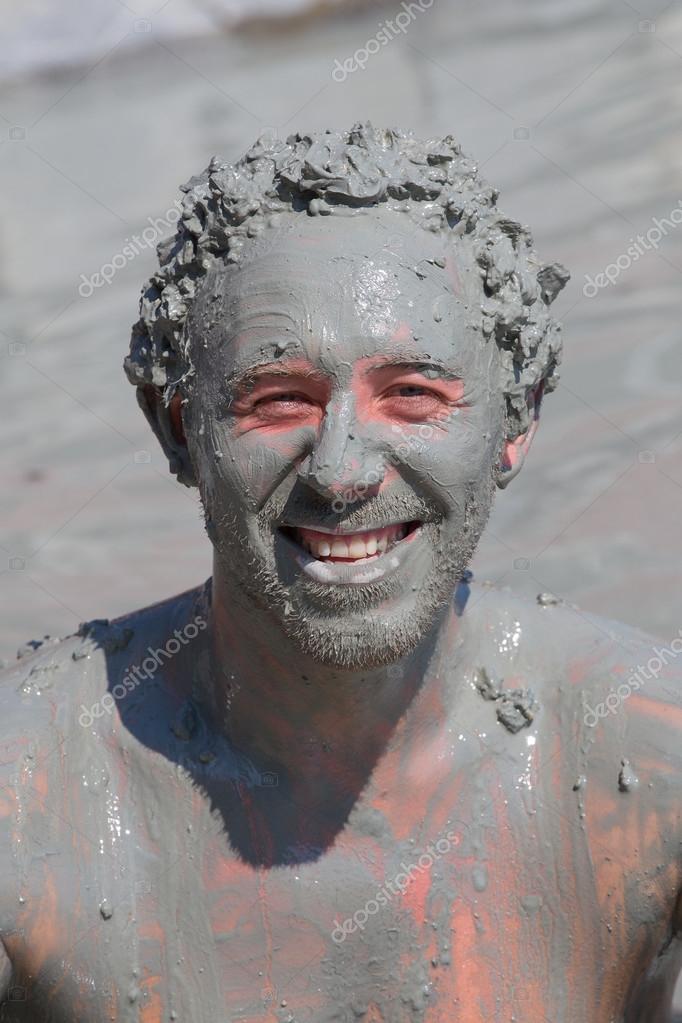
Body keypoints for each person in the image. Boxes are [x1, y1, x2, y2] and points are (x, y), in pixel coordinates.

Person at [1, 124, 681, 1023]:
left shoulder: (642, 759)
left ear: (517, 417)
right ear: (177, 427)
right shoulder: (30, 793)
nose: (342, 469)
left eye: (414, 395)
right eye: (278, 398)